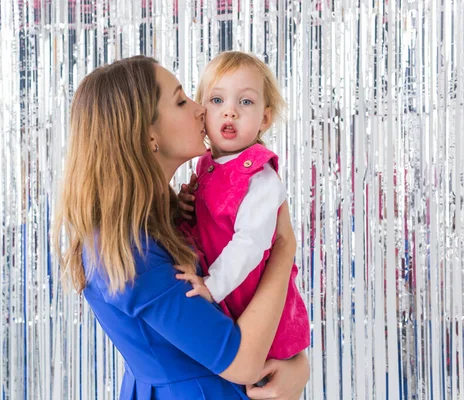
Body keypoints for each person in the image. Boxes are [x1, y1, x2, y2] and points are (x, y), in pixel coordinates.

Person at [52, 55, 309, 399]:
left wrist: (297, 366)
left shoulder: (172, 213)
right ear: (148, 137)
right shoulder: (129, 250)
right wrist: (283, 246)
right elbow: (242, 362)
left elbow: (244, 309)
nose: (201, 109)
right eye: (180, 100)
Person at [177, 51, 310, 364]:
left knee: (258, 376)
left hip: (248, 298)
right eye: (217, 101)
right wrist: (184, 208)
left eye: (245, 102)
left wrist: (212, 287)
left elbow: (250, 242)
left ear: (265, 118)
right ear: (202, 113)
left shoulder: (260, 177)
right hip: (225, 302)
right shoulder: (205, 165)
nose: (230, 113)